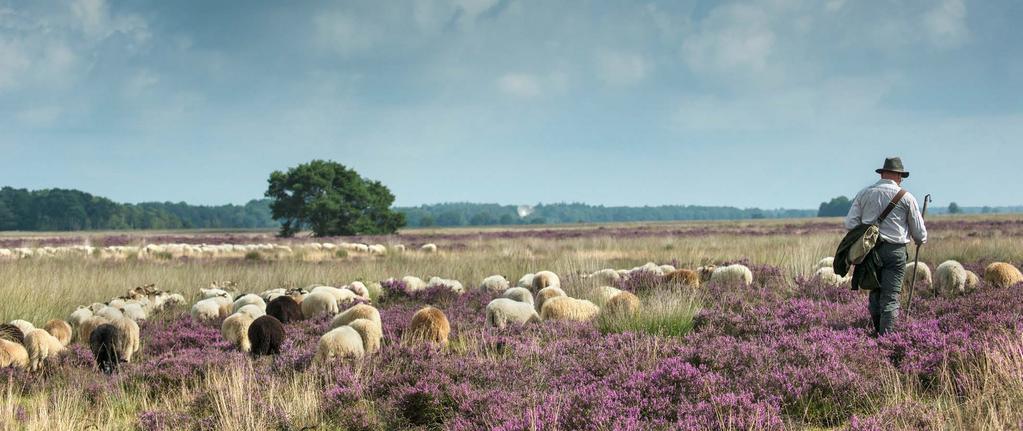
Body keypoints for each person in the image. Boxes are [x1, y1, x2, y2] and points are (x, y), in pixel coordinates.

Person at [844, 157, 927, 336]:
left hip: (869, 251)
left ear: (882, 173)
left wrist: (867, 230)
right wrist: (919, 240)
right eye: (901, 176)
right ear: (897, 175)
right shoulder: (907, 197)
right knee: (890, 297)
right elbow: (920, 234)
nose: (901, 179)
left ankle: (877, 333)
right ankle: (887, 340)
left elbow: (850, 223)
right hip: (895, 252)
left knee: (875, 291)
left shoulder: (864, 193)